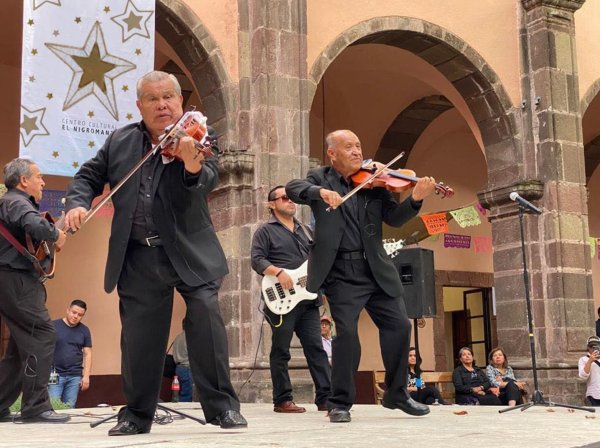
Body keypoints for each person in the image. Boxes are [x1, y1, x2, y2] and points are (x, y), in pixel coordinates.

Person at [64, 70, 246, 435]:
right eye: (152, 98)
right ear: (140, 105)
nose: (162, 104)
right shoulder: (120, 141)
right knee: (140, 338)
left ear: (180, 101)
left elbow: (205, 179)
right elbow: (87, 176)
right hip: (139, 255)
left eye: (169, 97)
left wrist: (192, 162)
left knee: (206, 316)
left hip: (190, 251)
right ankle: (136, 414)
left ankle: (223, 407)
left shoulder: (198, 136)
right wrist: (77, 203)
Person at [286, 129, 435, 423]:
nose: (357, 151)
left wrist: (415, 199)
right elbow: (293, 188)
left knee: (399, 327)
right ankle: (339, 401)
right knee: (347, 336)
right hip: (340, 273)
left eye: (358, 145)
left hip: (375, 268)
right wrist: (320, 193)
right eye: (349, 147)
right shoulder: (319, 177)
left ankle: (396, 393)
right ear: (332, 153)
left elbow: (393, 219)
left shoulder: (375, 182)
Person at [251, 186, 331, 413]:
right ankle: (282, 400)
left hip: (307, 300)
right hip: (281, 300)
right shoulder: (265, 231)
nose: (290, 201)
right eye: (284, 198)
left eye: (292, 198)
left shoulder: (306, 230)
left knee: (316, 349)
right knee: (281, 350)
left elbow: (315, 263)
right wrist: (277, 272)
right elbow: (256, 260)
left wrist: (321, 289)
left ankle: (326, 398)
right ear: (271, 204)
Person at [0, 158, 69, 423]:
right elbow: (36, 225)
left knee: (21, 346)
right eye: (39, 176)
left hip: (11, 280)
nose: (43, 182)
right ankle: (36, 407)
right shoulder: (17, 201)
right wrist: (55, 234)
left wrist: (55, 235)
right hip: (16, 280)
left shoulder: (11, 203)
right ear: (23, 180)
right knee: (42, 334)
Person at [48, 299, 92, 408]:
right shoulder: (53, 326)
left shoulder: (84, 330)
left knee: (69, 408)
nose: (76, 316)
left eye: (80, 315)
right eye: (74, 312)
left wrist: (86, 377)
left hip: (75, 376)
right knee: (52, 407)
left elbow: (88, 354)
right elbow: (44, 348)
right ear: (68, 310)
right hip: (55, 374)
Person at [172, 322, 193, 402]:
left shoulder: (178, 337)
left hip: (178, 368)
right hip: (187, 368)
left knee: (178, 394)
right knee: (187, 395)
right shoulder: (189, 337)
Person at [578, 335, 600, 406]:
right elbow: (583, 376)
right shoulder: (583, 359)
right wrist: (590, 361)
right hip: (595, 394)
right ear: (588, 347)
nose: (593, 348)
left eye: (596, 346)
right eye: (591, 346)